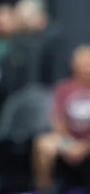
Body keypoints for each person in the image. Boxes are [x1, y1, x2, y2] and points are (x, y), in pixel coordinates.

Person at [32, 45, 90, 192]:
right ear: (73, 64)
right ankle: (45, 189)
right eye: (83, 64)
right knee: (43, 144)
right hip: (69, 139)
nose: (86, 68)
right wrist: (68, 143)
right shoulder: (64, 88)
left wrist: (85, 145)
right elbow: (57, 119)